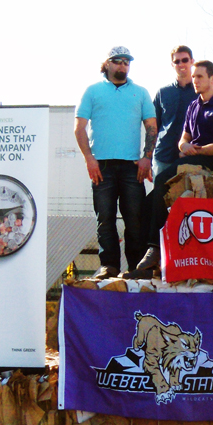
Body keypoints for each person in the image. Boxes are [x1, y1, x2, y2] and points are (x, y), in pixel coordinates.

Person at [127, 60, 213, 278]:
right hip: (191, 159)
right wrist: (185, 146)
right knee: (148, 203)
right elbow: (183, 140)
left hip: (211, 163)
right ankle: (143, 264)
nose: (195, 80)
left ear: (212, 79)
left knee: (162, 181)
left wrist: (199, 151)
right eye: (194, 76)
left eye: (200, 77)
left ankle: (156, 249)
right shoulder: (193, 106)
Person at [75, 46, 156, 279]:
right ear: (107, 64)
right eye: (118, 61)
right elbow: (79, 128)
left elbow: (151, 126)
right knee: (105, 218)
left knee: (135, 220)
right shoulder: (92, 91)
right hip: (102, 166)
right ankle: (108, 265)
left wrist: (146, 158)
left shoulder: (140, 93)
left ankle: (136, 268)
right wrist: (89, 159)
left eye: (126, 62)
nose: (122, 66)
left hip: (133, 167)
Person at [152, 46, 198, 176]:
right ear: (172, 64)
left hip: (191, 157)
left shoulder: (200, 93)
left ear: (192, 61)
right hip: (163, 157)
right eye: (177, 61)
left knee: (189, 196)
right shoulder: (163, 93)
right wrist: (148, 157)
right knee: (159, 195)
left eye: (185, 60)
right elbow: (154, 127)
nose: (181, 64)